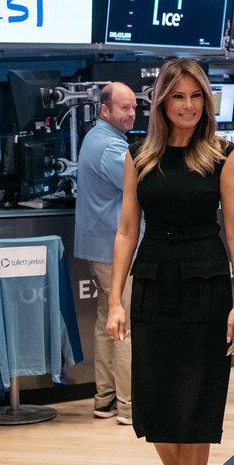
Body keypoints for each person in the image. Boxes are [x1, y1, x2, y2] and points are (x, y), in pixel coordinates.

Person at [106, 57, 234, 465]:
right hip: (153, 282)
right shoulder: (139, 156)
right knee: (158, 409)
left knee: (196, 410)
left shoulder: (223, 155)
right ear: (162, 102)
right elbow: (127, 229)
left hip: (207, 285)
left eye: (196, 96)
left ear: (205, 102)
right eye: (178, 97)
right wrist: (115, 299)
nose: (188, 106)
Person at [75, 82, 137, 426]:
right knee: (124, 326)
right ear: (104, 110)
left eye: (133, 108)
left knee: (107, 323)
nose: (131, 113)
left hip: (99, 249)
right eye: (124, 108)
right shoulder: (111, 147)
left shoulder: (95, 138)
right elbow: (140, 187)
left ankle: (106, 399)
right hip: (115, 252)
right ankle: (128, 406)